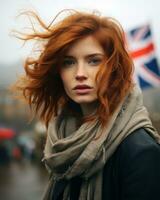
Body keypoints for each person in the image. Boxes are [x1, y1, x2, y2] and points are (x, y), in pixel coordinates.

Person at [13, 9, 160, 200]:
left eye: (93, 61)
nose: (80, 73)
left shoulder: (140, 151)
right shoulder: (62, 143)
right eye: (68, 62)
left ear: (113, 68)